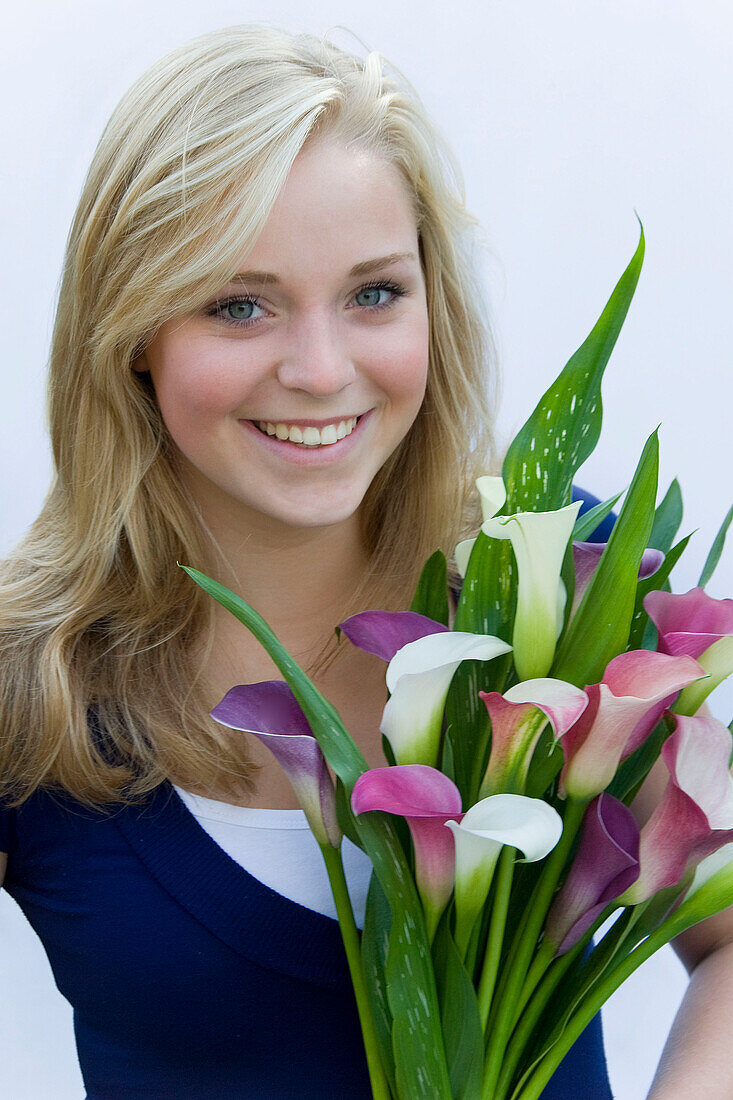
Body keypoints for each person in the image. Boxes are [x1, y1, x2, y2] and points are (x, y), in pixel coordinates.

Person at [0, 23, 729, 1100]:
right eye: (238, 303)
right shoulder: (31, 677)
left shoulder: (563, 580)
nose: (320, 368)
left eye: (374, 293)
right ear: (132, 335)